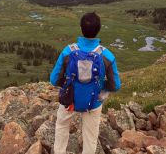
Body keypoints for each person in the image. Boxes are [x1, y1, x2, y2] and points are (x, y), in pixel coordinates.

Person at [50, 12, 121, 154]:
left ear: (81, 28)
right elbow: (115, 86)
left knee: (62, 125)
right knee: (90, 136)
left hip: (69, 100)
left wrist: (68, 83)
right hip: (93, 102)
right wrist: (100, 85)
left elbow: (54, 79)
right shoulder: (107, 55)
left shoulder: (68, 51)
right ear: (98, 29)